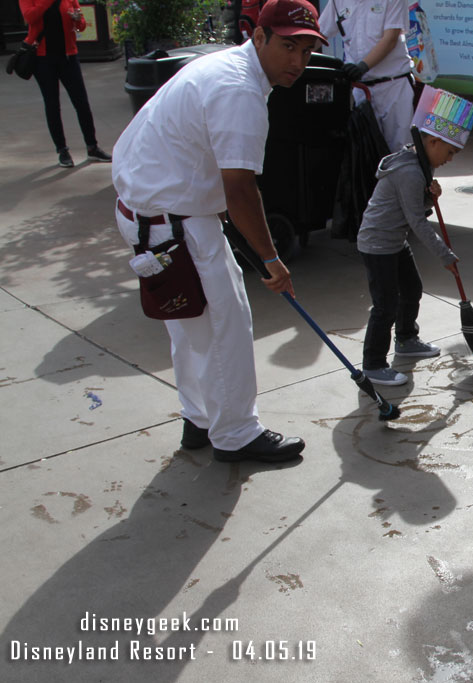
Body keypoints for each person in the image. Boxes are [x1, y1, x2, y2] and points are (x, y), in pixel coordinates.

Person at [111, 0, 327, 462]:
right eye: (289, 46)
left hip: (149, 212)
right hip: (173, 219)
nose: (298, 62)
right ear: (260, 36)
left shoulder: (226, 66)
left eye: (307, 52)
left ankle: (200, 420)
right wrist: (271, 259)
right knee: (226, 325)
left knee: (190, 326)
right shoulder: (240, 90)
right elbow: (240, 189)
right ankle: (235, 433)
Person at [357, 87, 473, 386]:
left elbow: (414, 210)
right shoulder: (411, 172)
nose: (450, 158)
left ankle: (406, 339)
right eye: (450, 152)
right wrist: (444, 255)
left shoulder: (417, 165)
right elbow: (416, 221)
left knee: (411, 290)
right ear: (433, 141)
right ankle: (373, 364)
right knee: (385, 304)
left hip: (394, 241)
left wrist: (430, 197)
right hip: (378, 244)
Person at [18, 0, 111, 168]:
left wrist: (77, 19)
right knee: (52, 104)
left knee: (81, 103)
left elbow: (81, 25)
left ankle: (92, 147)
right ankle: (62, 150)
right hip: (42, 59)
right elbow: (29, 17)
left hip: (68, 56)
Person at [318, 0, 415, 152]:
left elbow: (390, 39)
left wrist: (362, 67)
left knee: (400, 153)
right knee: (364, 155)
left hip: (394, 86)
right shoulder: (338, 2)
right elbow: (319, 34)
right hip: (361, 91)